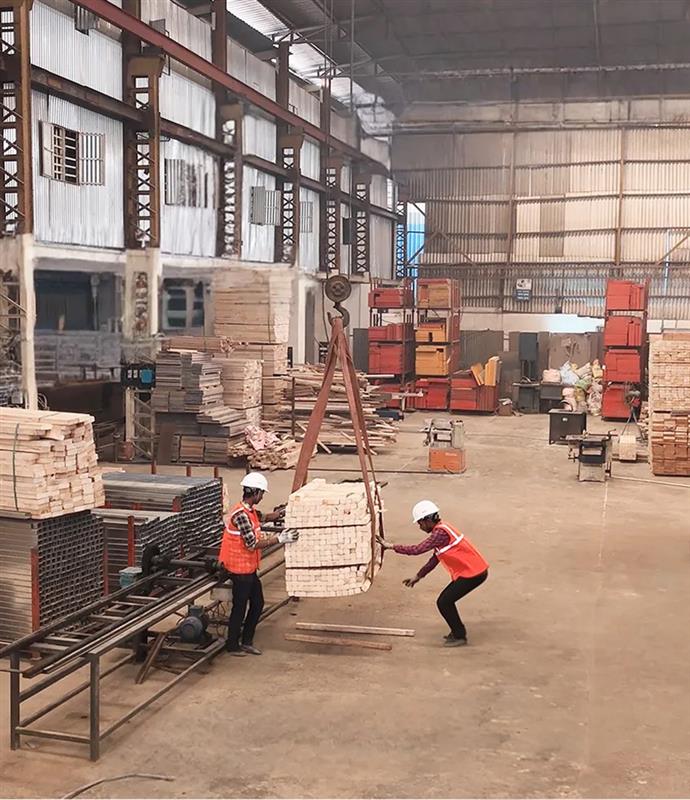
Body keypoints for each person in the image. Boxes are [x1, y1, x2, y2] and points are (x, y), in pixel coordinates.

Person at [378, 500, 488, 647]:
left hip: (474, 574)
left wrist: (391, 546)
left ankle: (460, 636)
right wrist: (418, 576)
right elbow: (435, 559)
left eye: (420, 523)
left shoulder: (440, 533)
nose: (420, 527)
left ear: (428, 520)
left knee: (444, 602)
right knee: (446, 601)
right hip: (474, 571)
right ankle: (457, 631)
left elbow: (417, 549)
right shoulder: (443, 529)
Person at [218, 472, 298, 656]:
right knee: (240, 607)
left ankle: (246, 640)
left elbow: (262, 517)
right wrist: (280, 538)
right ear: (254, 492)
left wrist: (280, 513)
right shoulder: (241, 516)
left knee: (258, 603)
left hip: (249, 568)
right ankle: (233, 645)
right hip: (239, 570)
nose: (262, 497)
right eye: (261, 493)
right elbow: (252, 544)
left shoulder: (250, 511)